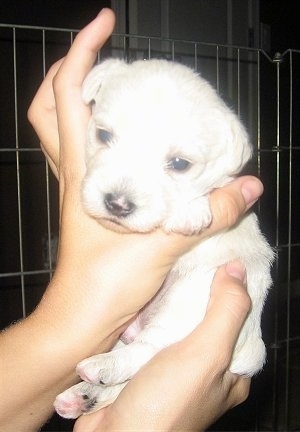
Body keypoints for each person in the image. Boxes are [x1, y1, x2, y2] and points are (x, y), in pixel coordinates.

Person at [0, 8, 264, 432]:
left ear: (224, 155)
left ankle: (128, 364)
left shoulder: (221, 155)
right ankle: (116, 380)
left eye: (177, 163)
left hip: (205, 303)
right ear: (94, 93)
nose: (121, 196)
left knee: (220, 280)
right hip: (146, 320)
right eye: (106, 136)